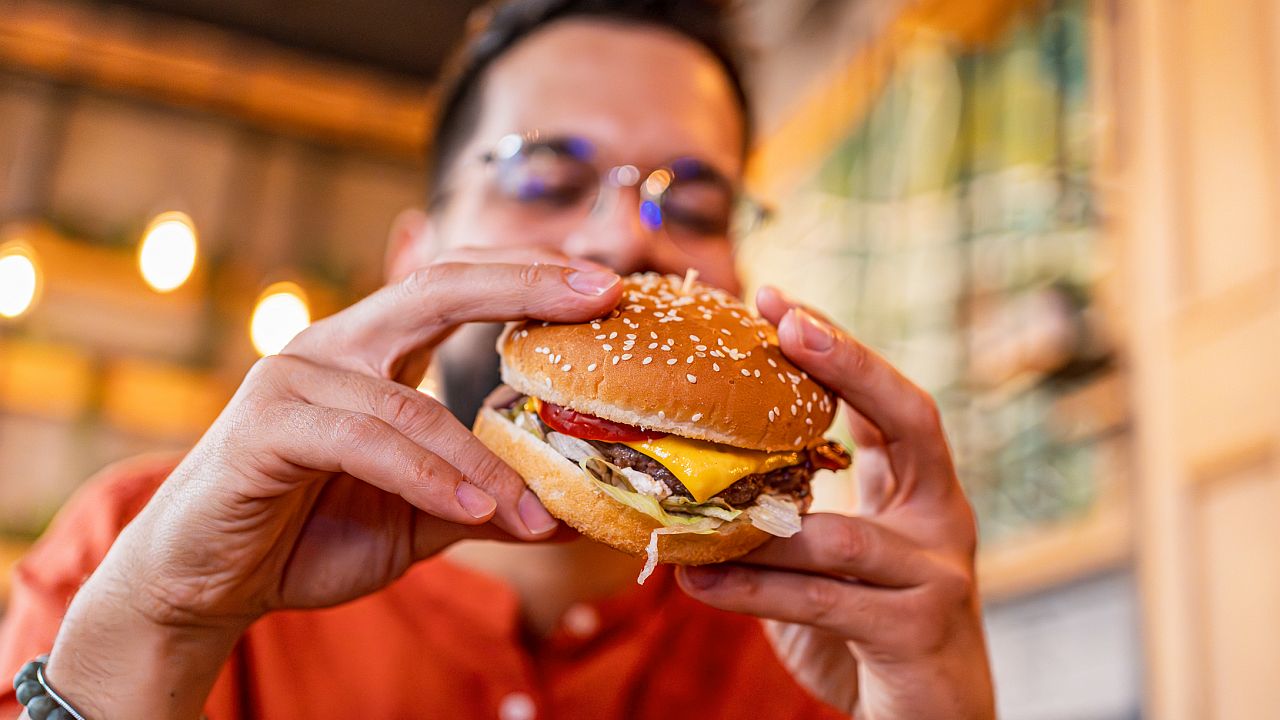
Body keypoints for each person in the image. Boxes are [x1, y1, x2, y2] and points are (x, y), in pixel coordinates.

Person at [0, 1, 995, 718]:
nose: (620, 239)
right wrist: (154, 636)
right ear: (413, 260)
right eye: (541, 176)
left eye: (691, 204)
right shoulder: (136, 546)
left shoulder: (836, 649)